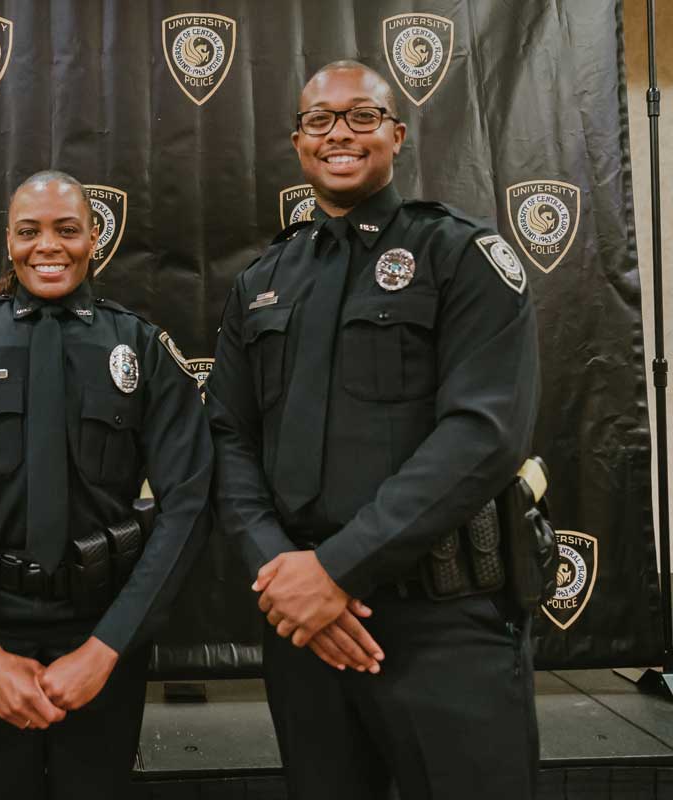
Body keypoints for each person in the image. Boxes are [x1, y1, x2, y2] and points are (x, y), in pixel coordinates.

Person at [205, 61, 541, 799]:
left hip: (443, 627)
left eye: (361, 116)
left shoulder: (459, 256)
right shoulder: (263, 280)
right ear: (298, 142)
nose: (339, 134)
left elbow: (482, 435)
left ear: (397, 132)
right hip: (303, 631)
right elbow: (227, 439)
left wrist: (336, 572)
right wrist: (286, 576)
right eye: (319, 120)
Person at [0, 170, 212, 798]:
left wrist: (108, 648)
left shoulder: (141, 348)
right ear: (8, 241)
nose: (49, 246)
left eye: (67, 230)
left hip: (101, 629)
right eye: (29, 231)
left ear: (95, 238)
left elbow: (188, 505)